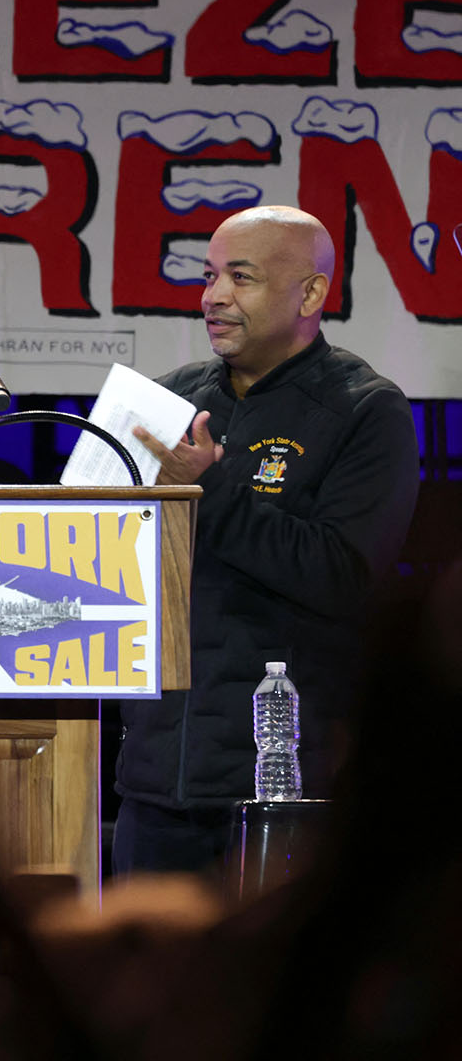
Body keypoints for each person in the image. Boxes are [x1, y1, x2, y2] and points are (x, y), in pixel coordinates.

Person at [115, 205, 419, 874]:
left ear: (309, 292)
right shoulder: (165, 402)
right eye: (210, 275)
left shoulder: (366, 410)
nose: (213, 296)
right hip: (154, 785)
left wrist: (209, 489)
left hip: (286, 792)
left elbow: (344, 576)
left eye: (240, 277)